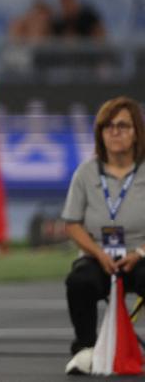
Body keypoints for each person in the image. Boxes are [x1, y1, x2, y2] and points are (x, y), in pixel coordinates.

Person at [62, 96, 145, 374]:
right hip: (98, 257)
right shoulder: (85, 173)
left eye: (123, 125)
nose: (115, 132)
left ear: (137, 133)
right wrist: (97, 253)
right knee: (79, 281)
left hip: (140, 255)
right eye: (108, 126)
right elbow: (72, 223)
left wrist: (139, 254)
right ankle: (85, 348)